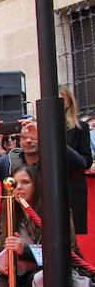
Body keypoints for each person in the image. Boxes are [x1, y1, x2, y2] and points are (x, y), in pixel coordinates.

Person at [59, 86, 92, 233]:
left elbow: (87, 160)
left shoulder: (80, 127)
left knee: (73, 231)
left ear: (68, 102)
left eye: (61, 99)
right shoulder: (41, 127)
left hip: (73, 184)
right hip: (51, 184)